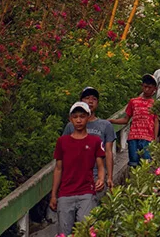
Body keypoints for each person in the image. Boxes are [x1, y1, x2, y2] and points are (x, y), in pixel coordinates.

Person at [50, 101, 105, 236]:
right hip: (65, 193)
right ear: (70, 119)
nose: (79, 120)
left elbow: (100, 165)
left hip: (87, 192)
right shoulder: (62, 142)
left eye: (82, 116)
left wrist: (102, 178)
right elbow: (58, 169)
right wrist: (53, 195)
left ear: (88, 117)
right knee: (64, 232)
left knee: (85, 231)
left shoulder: (95, 141)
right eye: (75, 117)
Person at [61, 87, 115, 198]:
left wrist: (109, 177)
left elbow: (108, 152)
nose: (90, 101)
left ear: (97, 103)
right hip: (74, 176)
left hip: (96, 175)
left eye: (94, 99)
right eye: (86, 98)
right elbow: (63, 152)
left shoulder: (105, 125)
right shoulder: (71, 126)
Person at [108, 74, 158, 167]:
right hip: (133, 137)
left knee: (146, 164)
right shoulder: (133, 102)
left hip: (148, 138)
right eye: (145, 86)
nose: (147, 89)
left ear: (154, 89)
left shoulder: (155, 104)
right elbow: (126, 119)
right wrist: (111, 121)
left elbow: (156, 121)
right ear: (142, 86)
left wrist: (154, 139)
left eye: (150, 87)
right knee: (133, 164)